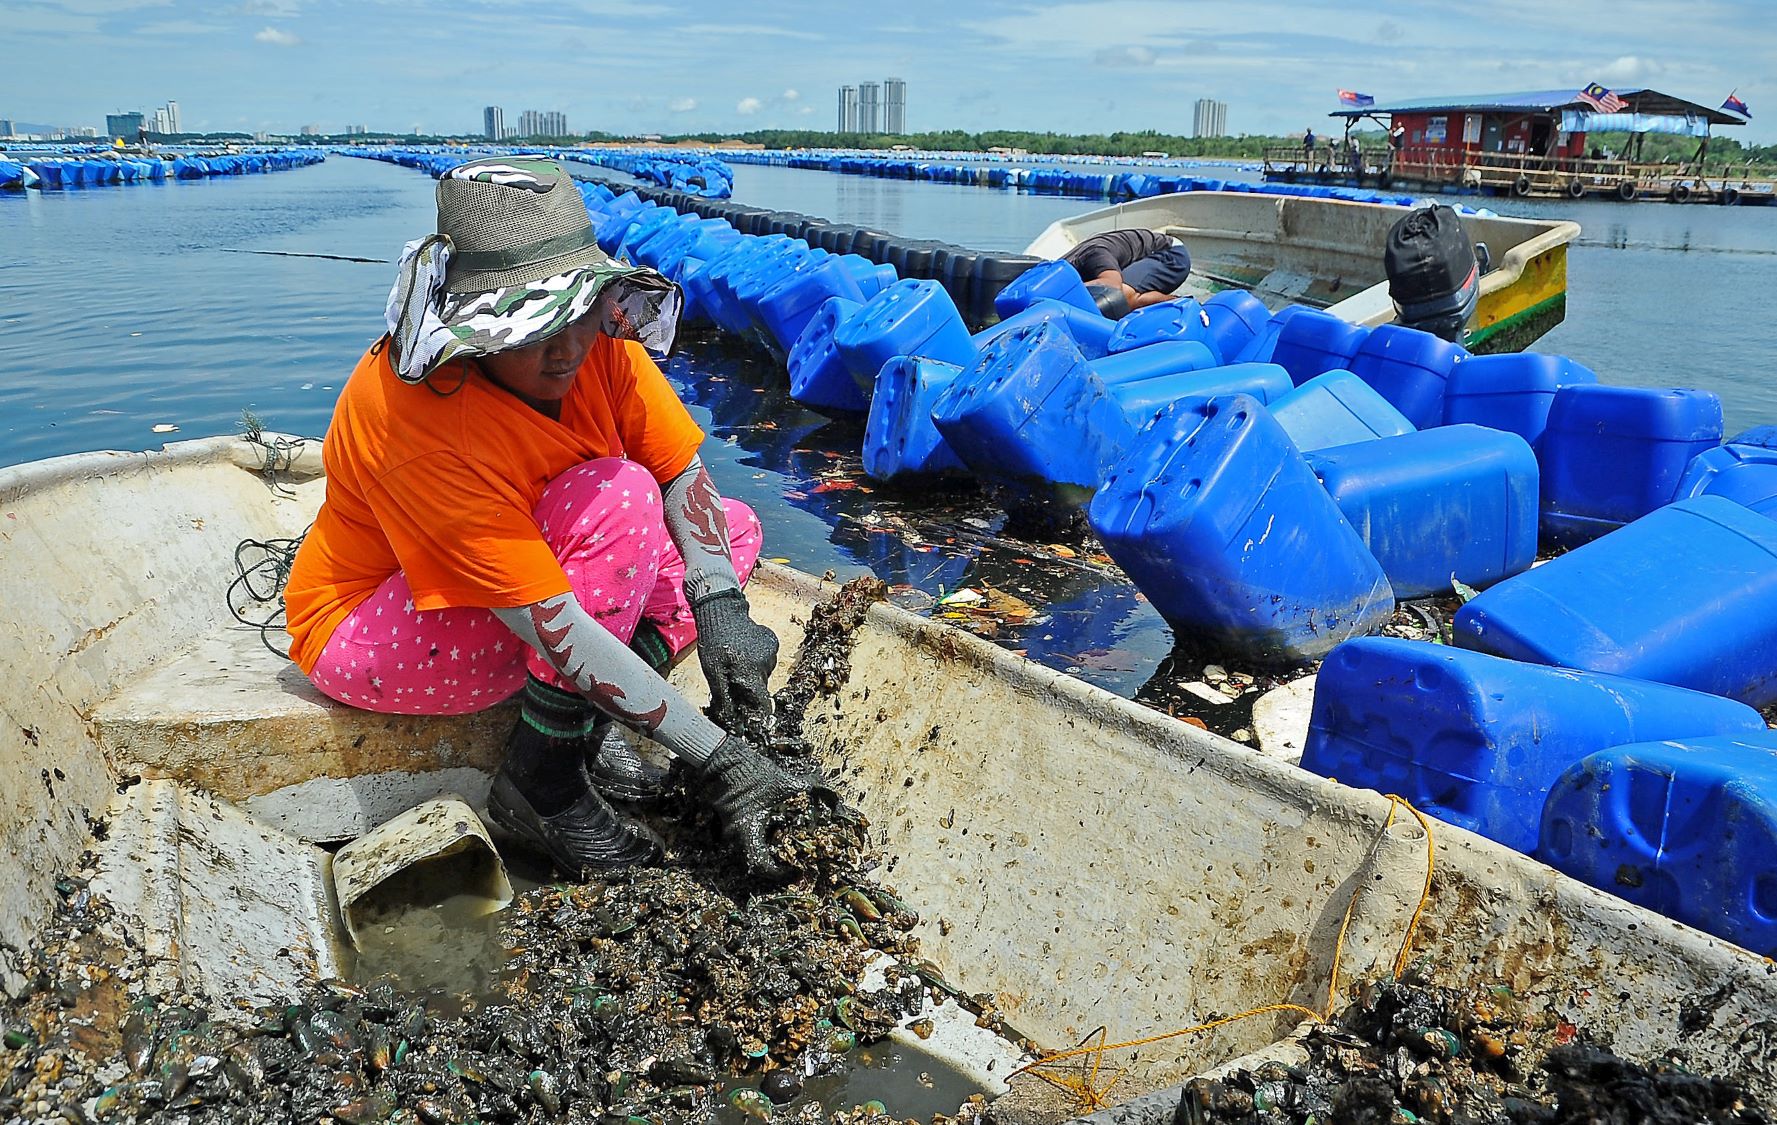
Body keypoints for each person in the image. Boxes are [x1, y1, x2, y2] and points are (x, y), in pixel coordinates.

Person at [282, 157, 828, 881]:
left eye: (576, 312)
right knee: (620, 500)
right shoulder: (412, 418)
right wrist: (719, 757)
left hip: (533, 575)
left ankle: (586, 722)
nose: (567, 346)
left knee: (730, 527)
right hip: (374, 627)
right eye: (535, 326)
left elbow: (678, 469)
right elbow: (554, 624)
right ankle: (542, 779)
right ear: (475, 328)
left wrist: (723, 607)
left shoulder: (595, 345)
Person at [1060, 229, 1194, 312]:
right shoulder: (1064, 262)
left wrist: (1067, 293)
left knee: (1121, 296)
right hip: (1140, 251)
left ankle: (1185, 304)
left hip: (1171, 255)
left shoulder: (1095, 256)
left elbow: (1112, 284)